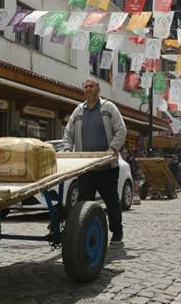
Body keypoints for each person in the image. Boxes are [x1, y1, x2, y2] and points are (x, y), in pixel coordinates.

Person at [64, 78, 127, 245]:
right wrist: (67, 151)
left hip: (107, 167)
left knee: (112, 201)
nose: (88, 89)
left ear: (98, 89)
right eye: (86, 87)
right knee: (84, 203)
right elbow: (68, 134)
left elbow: (121, 130)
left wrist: (111, 150)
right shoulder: (78, 111)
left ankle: (117, 232)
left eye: (91, 86)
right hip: (86, 168)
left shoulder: (108, 108)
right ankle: (85, 233)